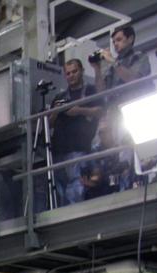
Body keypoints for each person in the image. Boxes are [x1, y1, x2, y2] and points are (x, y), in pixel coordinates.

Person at [50, 59, 101, 206]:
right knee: (59, 190)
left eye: (74, 72)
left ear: (82, 71)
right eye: (68, 73)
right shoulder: (60, 97)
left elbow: (100, 111)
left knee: (76, 189)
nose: (71, 75)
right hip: (59, 151)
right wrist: (55, 112)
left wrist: (79, 110)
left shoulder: (90, 91)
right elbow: (49, 123)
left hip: (79, 149)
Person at [92, 24, 151, 92]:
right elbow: (101, 90)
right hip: (115, 101)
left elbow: (133, 79)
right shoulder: (111, 64)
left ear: (130, 39)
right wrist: (97, 68)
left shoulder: (140, 56)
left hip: (135, 98)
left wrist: (112, 61)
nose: (115, 44)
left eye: (119, 40)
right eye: (114, 42)